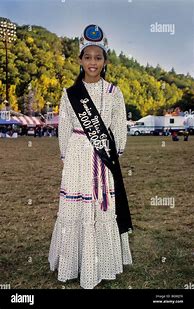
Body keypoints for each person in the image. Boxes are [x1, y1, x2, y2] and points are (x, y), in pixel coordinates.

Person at [48, 24, 133, 289]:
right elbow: (63, 129)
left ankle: (101, 263)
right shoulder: (69, 94)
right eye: (88, 57)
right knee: (75, 209)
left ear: (105, 61)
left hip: (102, 160)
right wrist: (67, 157)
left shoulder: (114, 93)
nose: (92, 62)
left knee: (100, 208)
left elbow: (119, 129)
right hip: (76, 158)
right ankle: (73, 262)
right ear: (80, 60)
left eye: (98, 57)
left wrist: (111, 157)